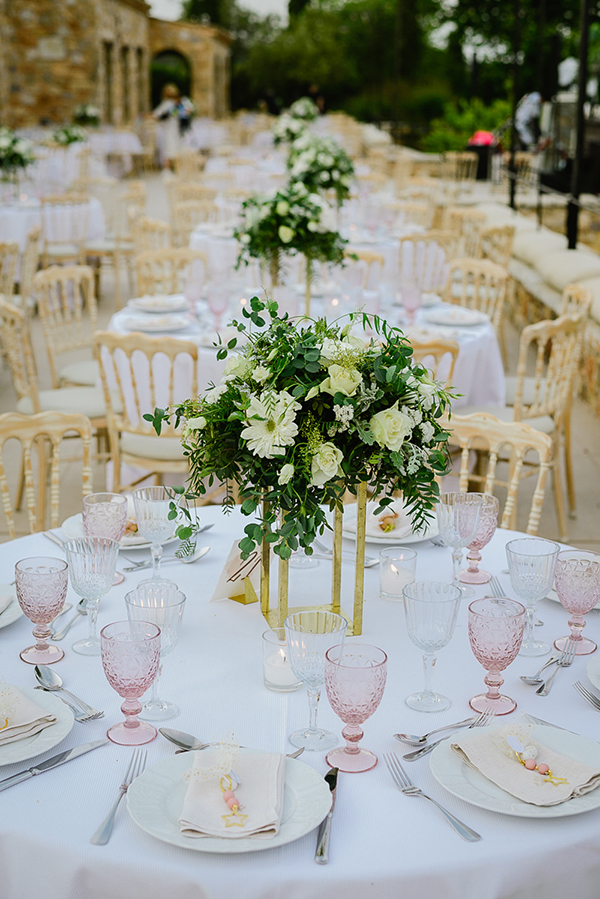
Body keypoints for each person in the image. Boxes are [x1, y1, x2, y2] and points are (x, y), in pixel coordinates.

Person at [152, 83, 194, 169]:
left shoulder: (179, 103)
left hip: (174, 129)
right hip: (173, 128)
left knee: (171, 147)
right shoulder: (176, 103)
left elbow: (156, 115)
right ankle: (173, 167)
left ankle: (171, 167)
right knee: (172, 147)